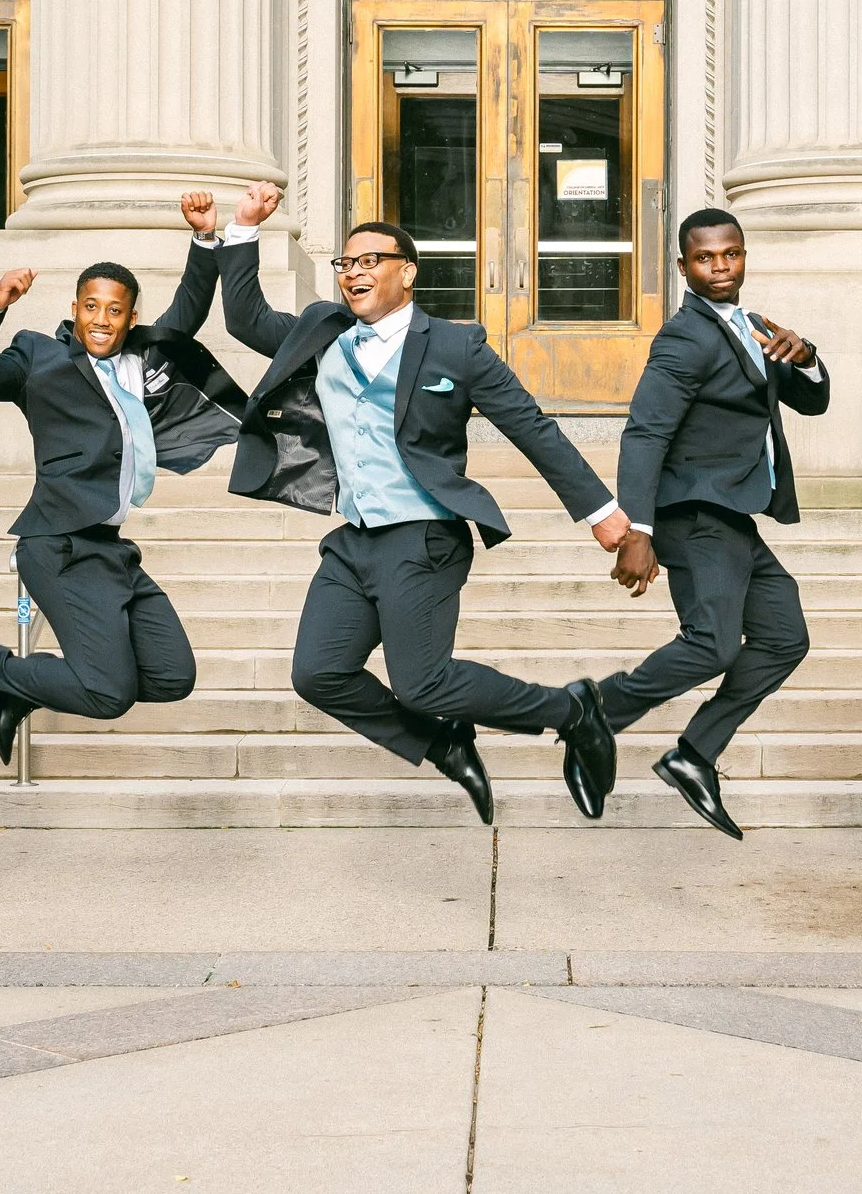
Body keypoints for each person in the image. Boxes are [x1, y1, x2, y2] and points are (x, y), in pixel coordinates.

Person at [208, 182, 631, 823]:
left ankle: (572, 709)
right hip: (353, 539)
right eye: (345, 264)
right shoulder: (324, 332)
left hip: (423, 536)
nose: (354, 273)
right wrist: (242, 227)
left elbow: (531, 427)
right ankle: (440, 741)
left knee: (423, 681)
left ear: (407, 271)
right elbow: (243, 319)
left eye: (369, 260)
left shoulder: (456, 347)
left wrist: (601, 513)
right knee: (319, 674)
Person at [0, 192, 246, 759]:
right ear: (75, 307)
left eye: (115, 310)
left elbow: (188, 309)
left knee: (171, 675)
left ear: (130, 317)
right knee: (107, 693)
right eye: (92, 307)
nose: (102, 319)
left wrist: (205, 238)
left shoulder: (141, 361)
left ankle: (19, 686)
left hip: (112, 551)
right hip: (60, 544)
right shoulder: (38, 360)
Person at [596, 208, 830, 838]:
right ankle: (596, 713)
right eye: (706, 258)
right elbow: (645, 433)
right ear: (683, 267)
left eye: (731, 254)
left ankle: (694, 752)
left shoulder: (755, 326)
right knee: (713, 643)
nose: (721, 267)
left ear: (744, 255)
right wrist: (636, 531)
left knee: (784, 638)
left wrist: (805, 355)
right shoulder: (684, 338)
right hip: (693, 514)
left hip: (733, 513)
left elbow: (811, 399)